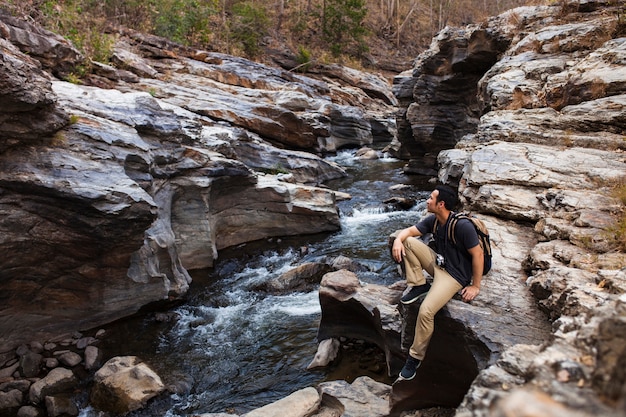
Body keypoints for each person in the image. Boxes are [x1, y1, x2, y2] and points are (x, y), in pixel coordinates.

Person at [390, 184, 483, 380]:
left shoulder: (462, 226)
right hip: (439, 265)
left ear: (441, 204)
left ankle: (414, 358)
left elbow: (478, 254)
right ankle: (419, 284)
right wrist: (398, 240)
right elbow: (409, 232)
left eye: (431, 198)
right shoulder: (433, 220)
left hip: (454, 276)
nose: (427, 200)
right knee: (407, 242)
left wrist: (475, 285)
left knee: (426, 311)